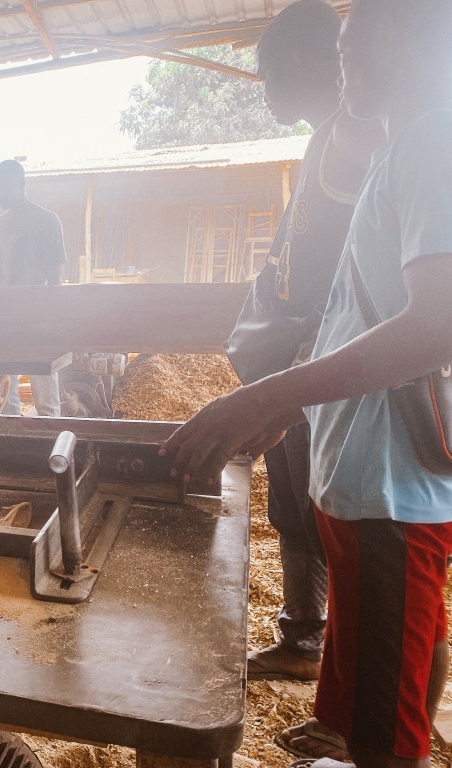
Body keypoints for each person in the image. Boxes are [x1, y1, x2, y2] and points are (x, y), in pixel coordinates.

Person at [162, 3, 452, 767]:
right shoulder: (399, 148)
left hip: (391, 490)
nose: (343, 49)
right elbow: (361, 309)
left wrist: (272, 395)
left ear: (404, 37)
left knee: (386, 738)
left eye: (355, 38)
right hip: (366, 484)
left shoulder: (432, 141)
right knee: (375, 702)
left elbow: (437, 324)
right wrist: (295, 403)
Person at [227, 0, 383, 700]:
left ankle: (346, 680)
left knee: (337, 519)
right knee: (295, 506)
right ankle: (303, 637)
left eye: (271, 75)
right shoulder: (326, 141)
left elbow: (357, 277)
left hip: (324, 370)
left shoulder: (358, 140)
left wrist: (297, 375)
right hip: (298, 363)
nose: (266, 92)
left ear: (312, 62)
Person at [0, 159, 66, 417]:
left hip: (36, 320)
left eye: (4, 187)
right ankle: (9, 436)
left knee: (45, 396)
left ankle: (51, 438)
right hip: (1, 319)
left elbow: (55, 279)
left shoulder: (47, 221)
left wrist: (53, 321)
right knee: (4, 396)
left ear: (21, 184)